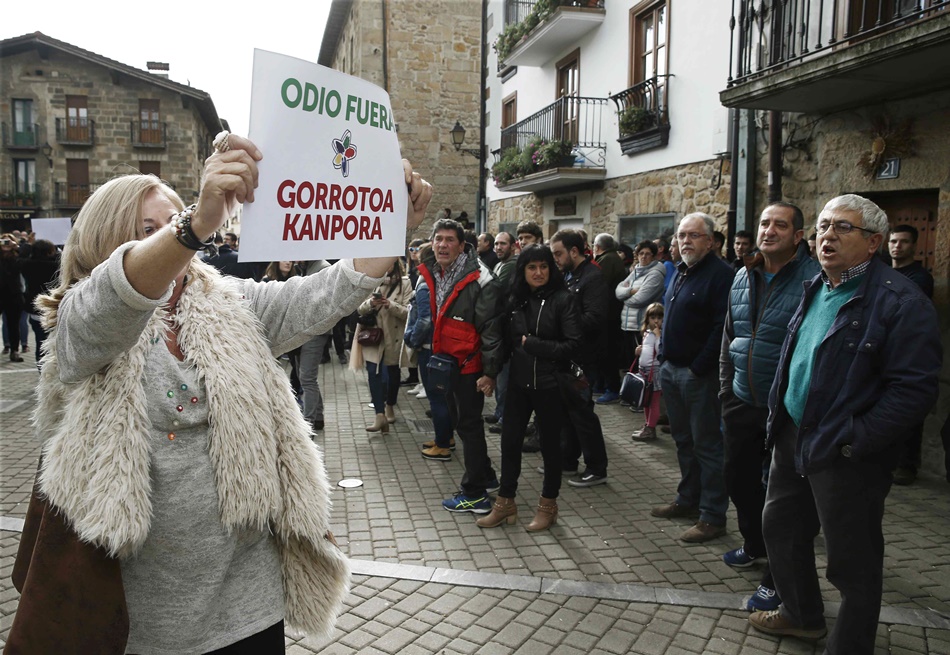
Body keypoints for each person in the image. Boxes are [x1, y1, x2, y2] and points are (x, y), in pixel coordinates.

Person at [6, 132, 433, 654]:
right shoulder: (82, 317)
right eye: (148, 229)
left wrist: (391, 220)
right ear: (108, 239)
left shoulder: (231, 304)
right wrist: (195, 223)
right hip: (144, 613)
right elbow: (116, 297)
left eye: (172, 220)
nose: (171, 236)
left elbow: (329, 290)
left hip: (249, 599)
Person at [749, 195, 941, 654]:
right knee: (780, 528)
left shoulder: (900, 301)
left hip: (845, 450)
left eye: (843, 228)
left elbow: (914, 391)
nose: (827, 236)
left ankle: (850, 645)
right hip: (795, 434)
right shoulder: (818, 284)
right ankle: (801, 615)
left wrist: (856, 439)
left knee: (851, 561)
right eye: (823, 226)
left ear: (874, 242)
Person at [719, 202, 820, 613]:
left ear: (798, 236)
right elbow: (730, 336)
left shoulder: (815, 279)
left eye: (781, 225)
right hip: (742, 401)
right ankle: (753, 543)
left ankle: (776, 579)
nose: (769, 231)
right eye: (764, 223)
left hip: (787, 411)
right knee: (739, 482)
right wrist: (726, 390)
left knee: (784, 502)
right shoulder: (743, 275)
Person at [476, 244, 582, 532]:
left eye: (544, 266)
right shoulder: (516, 299)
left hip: (551, 385)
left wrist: (535, 345)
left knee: (550, 448)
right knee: (510, 444)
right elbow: (505, 342)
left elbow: (574, 345)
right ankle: (505, 503)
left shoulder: (564, 299)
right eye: (532, 267)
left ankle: (548, 506)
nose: (538, 272)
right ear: (523, 270)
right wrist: (491, 374)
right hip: (518, 384)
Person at [651, 213, 734, 543]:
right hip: (671, 370)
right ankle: (688, 500)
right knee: (683, 442)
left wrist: (699, 366)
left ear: (711, 241)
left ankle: (713, 516)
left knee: (708, 446)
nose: (685, 241)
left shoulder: (721, 275)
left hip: (699, 375)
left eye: (694, 235)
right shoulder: (681, 272)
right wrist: (663, 356)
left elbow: (722, 327)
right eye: (682, 235)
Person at [416, 219, 503, 511]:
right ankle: (487, 476)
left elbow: (491, 330)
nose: (442, 244)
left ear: (462, 246)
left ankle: (475, 494)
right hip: (446, 363)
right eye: (438, 238)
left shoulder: (480, 279)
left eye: (449, 240)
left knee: (469, 426)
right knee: (461, 424)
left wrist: (489, 373)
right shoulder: (435, 271)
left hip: (469, 367)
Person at [549, 229, 610, 487]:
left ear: (574, 251)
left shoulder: (593, 278)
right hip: (566, 355)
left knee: (583, 414)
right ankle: (567, 460)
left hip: (582, 358)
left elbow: (594, 318)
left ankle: (596, 467)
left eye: (558, 254)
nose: (555, 259)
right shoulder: (567, 275)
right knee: (565, 412)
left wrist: (561, 323)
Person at [887, 224, 935, 485]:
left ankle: (907, 466)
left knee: (908, 412)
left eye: (903, 242)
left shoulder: (920, 277)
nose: (897, 246)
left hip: (909, 351)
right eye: (893, 241)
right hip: (885, 350)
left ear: (913, 246)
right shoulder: (883, 271)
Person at [353, 259, 411, 433]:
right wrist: (371, 303)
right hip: (374, 336)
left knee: (391, 376)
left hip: (393, 337)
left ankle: (390, 405)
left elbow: (408, 312)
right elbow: (359, 309)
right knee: (373, 374)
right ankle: (379, 415)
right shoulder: (372, 281)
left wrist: (389, 305)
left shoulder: (405, 283)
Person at [615, 240, 666, 371]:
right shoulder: (636, 271)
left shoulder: (655, 274)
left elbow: (640, 299)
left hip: (641, 326)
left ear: (654, 256)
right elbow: (618, 290)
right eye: (641, 253)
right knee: (629, 366)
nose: (643, 257)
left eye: (648, 254)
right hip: (627, 325)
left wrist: (624, 297)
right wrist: (631, 291)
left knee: (641, 366)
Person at [485, 231, 518, 430]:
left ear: (512, 246)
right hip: (498, 327)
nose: (498, 247)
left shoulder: (511, 265)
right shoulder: (499, 264)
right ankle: (499, 412)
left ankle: (505, 418)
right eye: (496, 244)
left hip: (507, 327)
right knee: (500, 376)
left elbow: (493, 289)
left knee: (505, 379)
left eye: (503, 244)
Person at [592, 233, 626, 404]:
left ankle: (612, 388)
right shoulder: (610, 258)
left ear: (597, 247)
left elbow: (598, 285)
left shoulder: (608, 260)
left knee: (608, 353)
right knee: (602, 352)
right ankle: (600, 384)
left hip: (609, 315)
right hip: (608, 314)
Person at [631, 302, 664, 441]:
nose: (656, 321)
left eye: (659, 317)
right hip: (644, 371)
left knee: (654, 402)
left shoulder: (660, 335)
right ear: (647, 319)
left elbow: (660, 349)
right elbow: (646, 350)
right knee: (646, 400)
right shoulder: (646, 333)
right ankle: (648, 425)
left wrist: (657, 336)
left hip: (654, 372)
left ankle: (651, 428)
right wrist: (639, 350)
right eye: (652, 317)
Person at [0, 234, 25, 362]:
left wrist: (17, 247)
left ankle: (14, 350)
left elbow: (26, 260)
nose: (5, 244)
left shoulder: (17, 257)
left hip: (13, 295)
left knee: (14, 325)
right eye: (3, 241)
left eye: (8, 242)